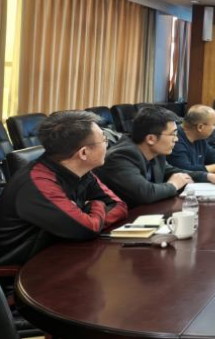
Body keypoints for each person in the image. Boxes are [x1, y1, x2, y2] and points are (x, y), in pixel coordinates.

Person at [0, 111, 128, 266]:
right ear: (84, 153)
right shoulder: (39, 183)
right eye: (104, 140)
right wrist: (97, 204)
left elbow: (119, 206)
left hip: (61, 253)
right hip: (24, 268)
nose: (107, 144)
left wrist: (89, 216)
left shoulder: (81, 170)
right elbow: (88, 229)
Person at [97, 107, 215, 207]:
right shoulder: (121, 156)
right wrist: (173, 185)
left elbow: (171, 171)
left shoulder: (156, 152)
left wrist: (207, 176)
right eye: (173, 134)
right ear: (151, 139)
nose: (176, 139)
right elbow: (146, 193)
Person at [167, 105, 215, 173]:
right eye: (214, 124)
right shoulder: (174, 139)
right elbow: (185, 170)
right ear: (200, 127)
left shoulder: (200, 138)